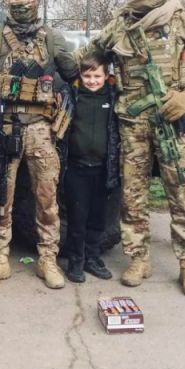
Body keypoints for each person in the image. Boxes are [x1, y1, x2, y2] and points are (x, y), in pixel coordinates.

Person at [76, 0, 185, 298]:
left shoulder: (184, 21)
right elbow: (88, 56)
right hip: (132, 124)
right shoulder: (120, 25)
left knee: (182, 191)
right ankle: (138, 258)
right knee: (132, 195)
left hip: (173, 123)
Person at [0, 0, 79, 289]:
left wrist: (70, 84)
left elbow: (74, 74)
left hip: (41, 129)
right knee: (1, 196)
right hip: (5, 127)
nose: (22, 2)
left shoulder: (52, 39)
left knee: (47, 197)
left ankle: (47, 259)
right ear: (8, 1)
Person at [58, 54, 120, 283]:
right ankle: (75, 261)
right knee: (77, 217)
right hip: (77, 168)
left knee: (97, 218)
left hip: (103, 169)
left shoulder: (113, 97)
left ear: (106, 76)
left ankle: (92, 258)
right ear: (80, 76)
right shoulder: (72, 95)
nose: (92, 81)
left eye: (97, 76)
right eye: (87, 76)